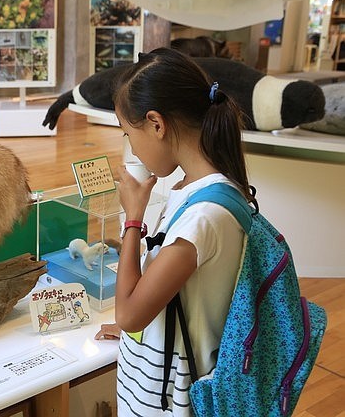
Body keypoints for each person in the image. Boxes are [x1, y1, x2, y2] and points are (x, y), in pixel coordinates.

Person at [94, 47, 254, 416]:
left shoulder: (204, 215)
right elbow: (172, 300)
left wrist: (133, 219)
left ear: (156, 123)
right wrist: (141, 334)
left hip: (171, 400)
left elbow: (130, 314)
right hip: (160, 377)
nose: (130, 146)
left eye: (127, 133)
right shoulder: (195, 189)